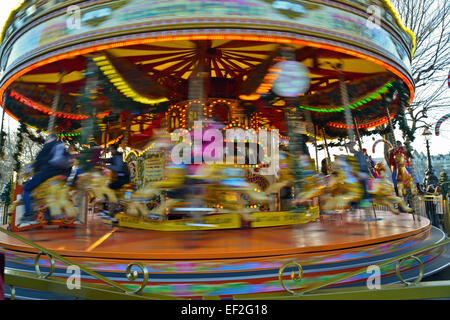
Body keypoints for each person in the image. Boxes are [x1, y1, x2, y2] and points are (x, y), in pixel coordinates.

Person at [19, 134, 73, 227]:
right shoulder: (62, 147)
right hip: (59, 178)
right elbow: (69, 164)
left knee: (26, 189)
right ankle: (49, 212)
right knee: (51, 195)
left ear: (50, 138)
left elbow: (37, 162)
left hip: (46, 174)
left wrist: (30, 169)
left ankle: (28, 214)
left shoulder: (48, 146)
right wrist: (65, 176)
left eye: (47, 139)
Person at [98, 144, 130, 219]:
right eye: (109, 150)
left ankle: (108, 208)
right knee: (109, 189)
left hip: (124, 179)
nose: (110, 151)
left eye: (110, 150)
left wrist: (106, 166)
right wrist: (99, 159)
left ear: (114, 150)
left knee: (108, 188)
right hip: (120, 178)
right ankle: (109, 209)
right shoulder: (115, 156)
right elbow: (107, 160)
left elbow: (118, 168)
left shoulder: (118, 157)